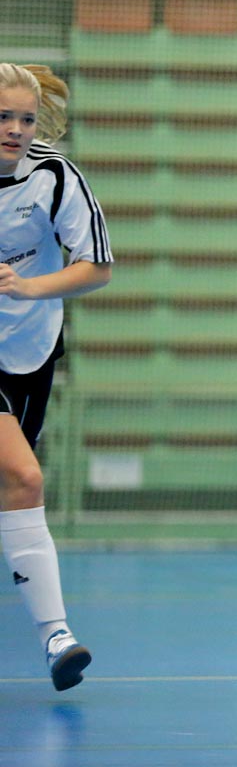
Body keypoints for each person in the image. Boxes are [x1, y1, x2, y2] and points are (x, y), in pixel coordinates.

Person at [0, 63, 114, 691]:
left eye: (25, 119)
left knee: (12, 491)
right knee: (24, 475)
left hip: (32, 349)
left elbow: (97, 267)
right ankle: (56, 636)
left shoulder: (54, 176)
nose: (15, 130)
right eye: (2, 118)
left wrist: (28, 287)